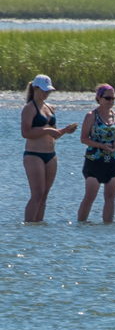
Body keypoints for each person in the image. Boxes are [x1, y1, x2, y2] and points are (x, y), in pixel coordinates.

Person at [20, 74, 78, 222]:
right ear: (35, 88)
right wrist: (46, 130)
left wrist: (65, 130)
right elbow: (26, 133)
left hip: (50, 155)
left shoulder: (50, 108)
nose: (46, 93)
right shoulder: (29, 108)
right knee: (37, 194)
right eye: (44, 90)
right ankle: (29, 226)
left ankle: (38, 227)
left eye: (48, 91)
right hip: (34, 155)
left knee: (45, 194)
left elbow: (55, 134)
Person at [77, 84, 115, 224]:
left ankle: (108, 227)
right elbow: (84, 139)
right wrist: (101, 145)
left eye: (113, 98)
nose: (111, 101)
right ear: (99, 98)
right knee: (90, 196)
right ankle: (81, 225)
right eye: (107, 98)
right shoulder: (91, 116)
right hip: (95, 161)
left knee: (110, 197)